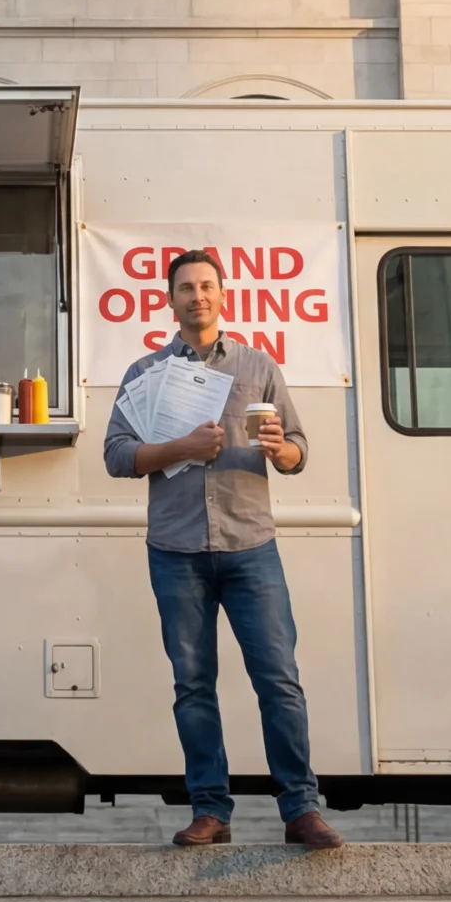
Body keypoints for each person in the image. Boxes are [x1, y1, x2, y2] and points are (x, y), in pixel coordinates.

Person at [102, 248, 343, 850]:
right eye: (186, 288)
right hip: (176, 550)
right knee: (193, 686)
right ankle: (210, 810)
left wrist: (278, 449)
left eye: (207, 286)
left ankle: (301, 809)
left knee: (280, 681)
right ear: (170, 299)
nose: (197, 296)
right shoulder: (145, 374)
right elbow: (115, 456)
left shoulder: (259, 367)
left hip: (249, 546)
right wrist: (180, 446)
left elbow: (298, 451)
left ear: (222, 295)